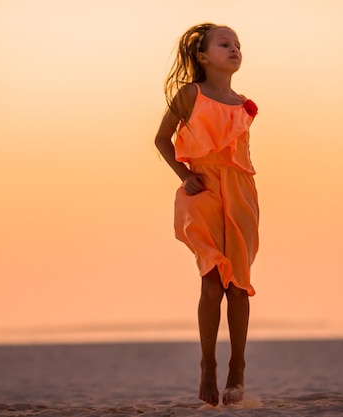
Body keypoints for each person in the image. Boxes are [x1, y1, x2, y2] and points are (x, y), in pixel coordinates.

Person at [154, 23, 260, 406]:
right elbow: (161, 139)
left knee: (239, 285)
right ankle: (208, 365)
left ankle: (238, 368)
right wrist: (185, 175)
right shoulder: (190, 95)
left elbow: (241, 158)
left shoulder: (244, 103)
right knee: (212, 280)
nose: (234, 49)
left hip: (241, 194)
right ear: (202, 56)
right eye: (224, 44)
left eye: (238, 44)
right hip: (202, 190)